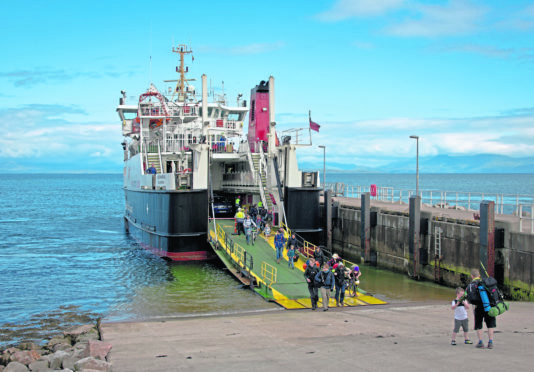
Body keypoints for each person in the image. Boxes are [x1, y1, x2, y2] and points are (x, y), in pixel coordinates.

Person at [467, 268, 496, 349]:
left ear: (472, 276)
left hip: (478, 307)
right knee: (490, 324)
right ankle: (490, 342)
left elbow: (467, 296)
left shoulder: (471, 285)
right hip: (489, 306)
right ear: (479, 275)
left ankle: (480, 342)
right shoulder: (485, 283)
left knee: (479, 324)